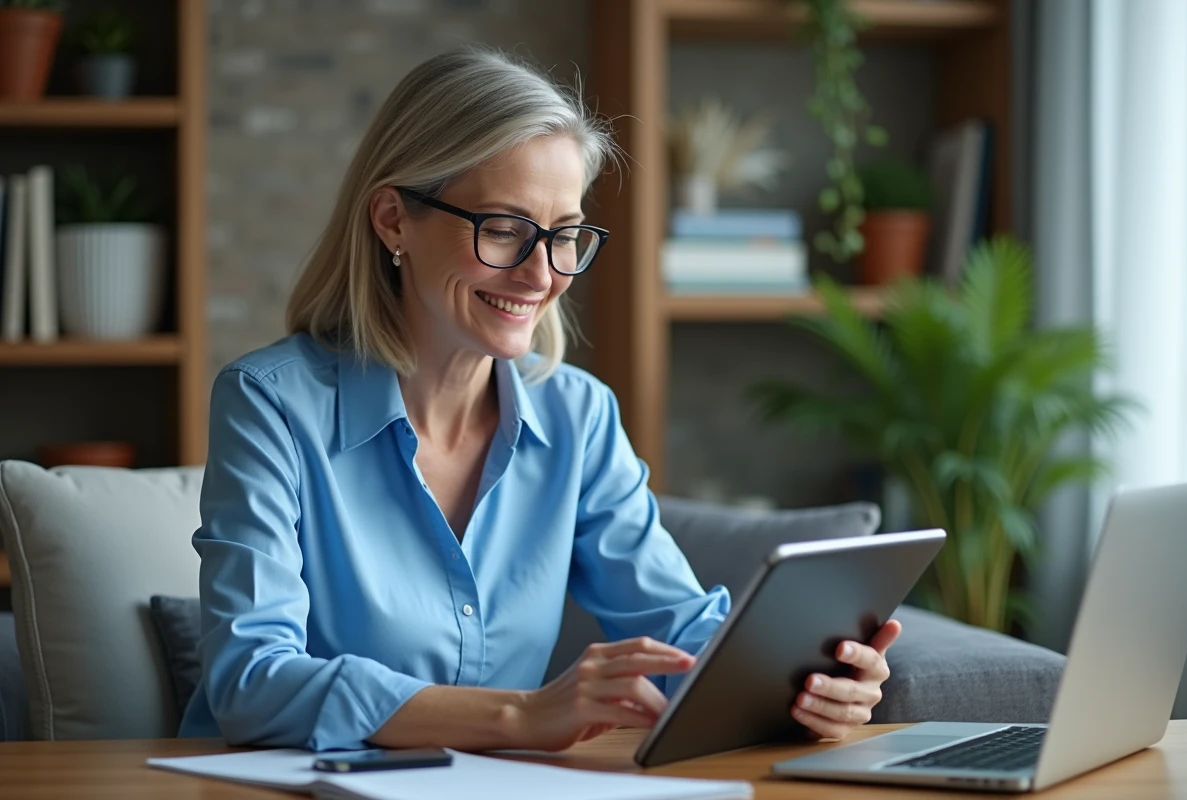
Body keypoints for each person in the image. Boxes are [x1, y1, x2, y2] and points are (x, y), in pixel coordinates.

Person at [179, 46, 901, 753]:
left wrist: (806, 683)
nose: (541, 274)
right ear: (393, 219)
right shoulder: (269, 404)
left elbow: (679, 635)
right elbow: (253, 682)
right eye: (503, 230)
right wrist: (519, 717)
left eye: (564, 236)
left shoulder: (577, 416)